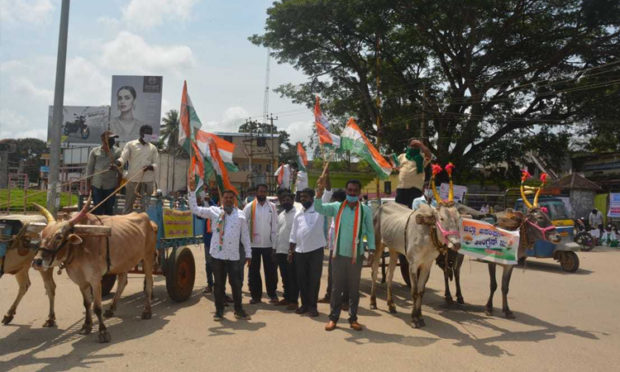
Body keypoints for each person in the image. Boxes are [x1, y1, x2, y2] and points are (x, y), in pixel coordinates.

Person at [315, 177, 375, 331]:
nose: (352, 193)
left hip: (357, 254)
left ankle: (353, 318)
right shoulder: (337, 207)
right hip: (339, 254)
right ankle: (333, 318)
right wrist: (318, 194)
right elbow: (319, 209)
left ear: (359, 192)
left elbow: (370, 231)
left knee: (354, 288)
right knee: (336, 287)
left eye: (355, 191)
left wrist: (372, 250)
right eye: (350, 190)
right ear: (346, 191)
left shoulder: (365, 210)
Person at [188, 178, 252, 321]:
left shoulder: (240, 215)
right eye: (226, 197)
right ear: (222, 199)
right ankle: (219, 311)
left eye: (231, 198)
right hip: (217, 255)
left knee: (236, 284)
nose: (228, 200)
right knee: (219, 285)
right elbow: (195, 210)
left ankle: (239, 309)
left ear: (234, 200)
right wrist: (192, 192)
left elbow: (245, 238)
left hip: (234, 256)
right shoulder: (214, 211)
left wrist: (248, 254)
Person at [289, 188, 326, 317]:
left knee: (314, 280)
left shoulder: (319, 210)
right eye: (302, 197)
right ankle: (304, 305)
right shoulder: (298, 213)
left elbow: (327, 192)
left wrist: (324, 180)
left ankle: (313, 306)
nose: (303, 199)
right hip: (300, 251)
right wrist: (290, 251)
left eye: (306, 197)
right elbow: (293, 233)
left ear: (312, 198)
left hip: (315, 250)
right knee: (302, 280)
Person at [243, 183, 279, 304]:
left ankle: (272, 294)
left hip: (268, 245)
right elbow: (243, 224)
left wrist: (274, 246)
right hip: (253, 246)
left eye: (264, 191)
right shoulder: (249, 207)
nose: (262, 193)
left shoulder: (272, 207)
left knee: (271, 271)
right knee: (253, 272)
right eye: (260, 191)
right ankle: (256, 296)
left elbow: (275, 227)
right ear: (256, 193)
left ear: (266, 193)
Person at [118, 125, 159, 214]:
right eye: (147, 133)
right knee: (128, 205)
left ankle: (145, 223)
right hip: (133, 179)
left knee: (146, 206)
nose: (149, 136)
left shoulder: (153, 148)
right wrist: (118, 163)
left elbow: (156, 163)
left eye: (150, 134)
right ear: (141, 133)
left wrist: (150, 167)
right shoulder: (130, 145)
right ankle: (126, 222)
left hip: (147, 180)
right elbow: (123, 158)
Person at [86, 131, 121, 215]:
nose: (112, 141)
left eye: (113, 139)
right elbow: (89, 169)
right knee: (98, 208)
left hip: (110, 186)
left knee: (109, 209)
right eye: (110, 139)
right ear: (103, 140)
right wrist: (88, 185)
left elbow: (120, 168)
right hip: (97, 185)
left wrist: (116, 168)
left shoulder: (118, 152)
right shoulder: (94, 151)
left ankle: (108, 226)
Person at [274, 191, 299, 309]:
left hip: (291, 251)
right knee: (284, 276)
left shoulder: (297, 214)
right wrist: (274, 249)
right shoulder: (281, 215)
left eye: (288, 200)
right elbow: (277, 233)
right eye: (283, 200)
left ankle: (294, 301)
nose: (286, 202)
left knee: (292, 277)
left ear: (292, 201)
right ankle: (286, 297)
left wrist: (292, 251)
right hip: (280, 250)